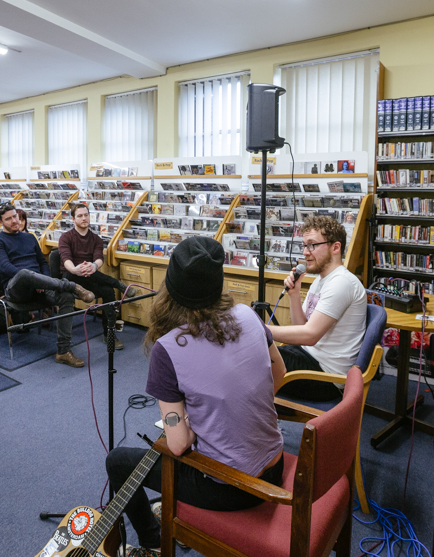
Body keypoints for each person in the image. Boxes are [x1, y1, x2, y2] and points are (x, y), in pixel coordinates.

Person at [105, 237, 286, 557]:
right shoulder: (249, 314)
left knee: (118, 462)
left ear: (169, 288)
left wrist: (195, 416)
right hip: (276, 465)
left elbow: (178, 444)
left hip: (232, 488)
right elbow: (279, 374)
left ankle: (152, 540)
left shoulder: (168, 349)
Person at [267, 215, 367, 401]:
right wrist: (294, 295)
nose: (305, 252)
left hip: (325, 377)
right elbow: (302, 327)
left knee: (249, 356)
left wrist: (262, 330)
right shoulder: (320, 281)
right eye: (304, 245)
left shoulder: (342, 282)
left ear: (335, 247)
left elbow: (310, 336)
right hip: (307, 357)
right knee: (251, 352)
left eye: (312, 245)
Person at [0, 203, 95, 368]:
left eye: (15, 216)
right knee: (24, 273)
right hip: (16, 289)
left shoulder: (29, 237)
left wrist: (42, 279)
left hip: (40, 286)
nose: (14, 221)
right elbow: (5, 268)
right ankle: (72, 286)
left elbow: (42, 262)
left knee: (65, 297)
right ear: (0, 222)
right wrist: (34, 280)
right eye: (8, 219)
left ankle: (63, 351)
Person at [58, 203, 140, 350]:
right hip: (71, 278)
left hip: (90, 276)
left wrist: (93, 266)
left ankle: (109, 334)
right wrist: (77, 269)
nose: (84, 218)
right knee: (80, 273)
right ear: (73, 219)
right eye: (80, 216)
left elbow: (98, 259)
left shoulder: (96, 238)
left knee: (109, 291)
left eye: (86, 215)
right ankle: (119, 284)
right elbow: (66, 260)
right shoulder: (66, 237)